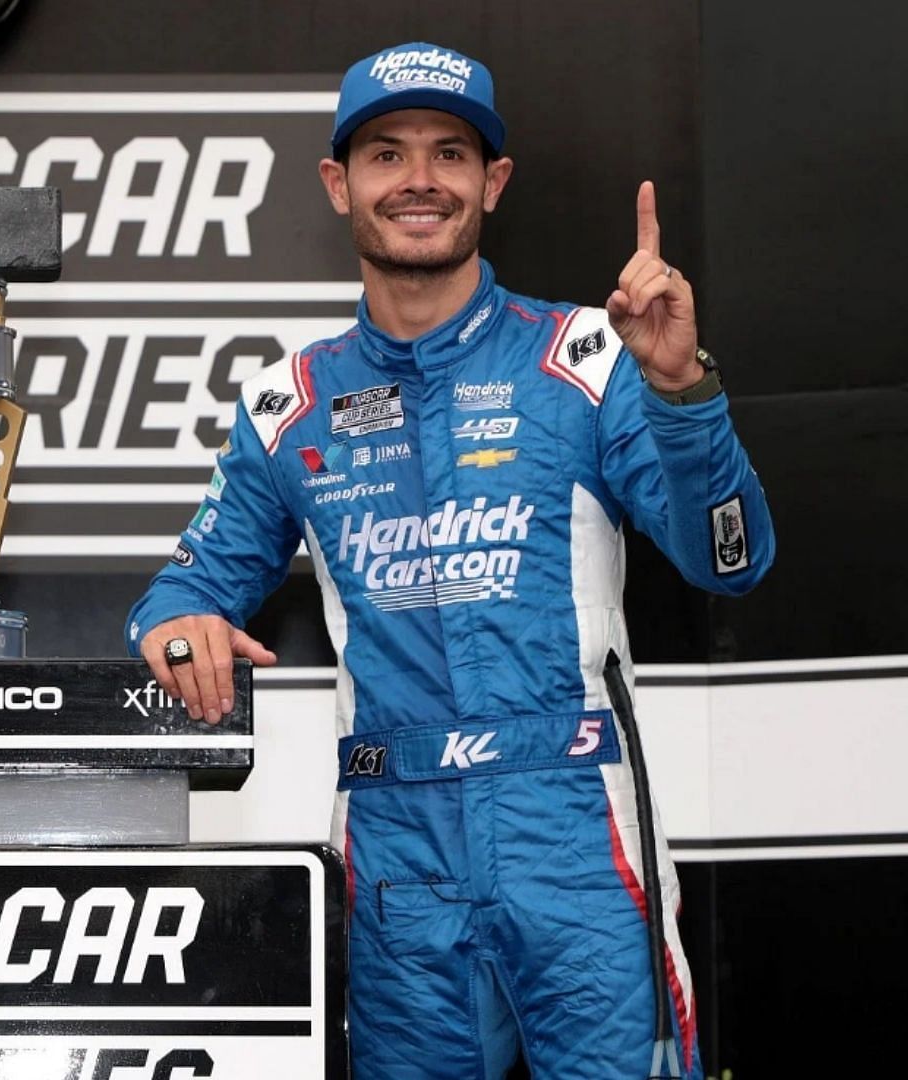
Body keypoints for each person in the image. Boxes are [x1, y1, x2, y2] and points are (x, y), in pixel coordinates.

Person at [128, 42, 772, 1079]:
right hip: (396, 847)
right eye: (386, 155)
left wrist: (684, 388)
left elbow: (729, 560)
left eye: (449, 152)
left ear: (491, 183)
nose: (419, 179)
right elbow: (188, 585)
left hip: (575, 841)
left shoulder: (587, 361)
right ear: (341, 185)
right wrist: (174, 623)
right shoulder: (290, 403)